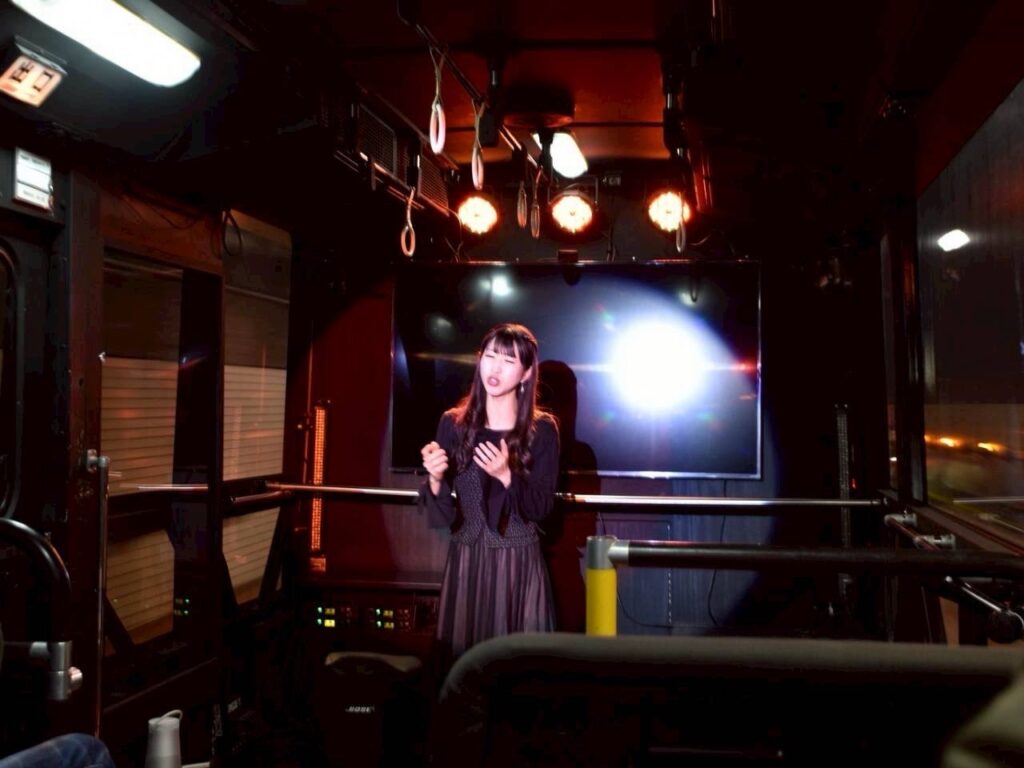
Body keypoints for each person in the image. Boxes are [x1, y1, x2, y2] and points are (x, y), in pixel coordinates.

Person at [419, 323, 559, 659]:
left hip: (517, 562)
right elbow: (442, 518)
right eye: (490, 356)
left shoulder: (542, 430)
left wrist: (507, 476)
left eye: (509, 361)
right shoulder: (453, 424)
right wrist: (435, 479)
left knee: (515, 663)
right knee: (463, 663)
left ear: (526, 373)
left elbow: (541, 509)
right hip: (466, 560)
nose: (495, 368)